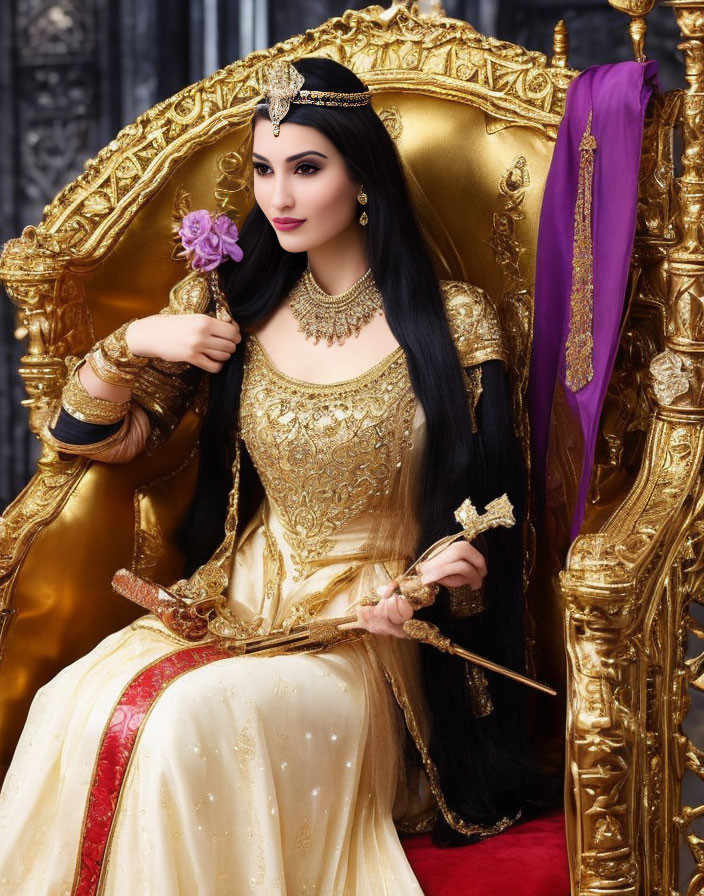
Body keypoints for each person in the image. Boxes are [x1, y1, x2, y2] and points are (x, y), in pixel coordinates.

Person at [0, 57, 538, 894]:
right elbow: (93, 441)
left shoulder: (453, 322)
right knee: (75, 699)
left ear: (363, 178)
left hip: (369, 637)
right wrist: (135, 342)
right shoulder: (230, 309)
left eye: (306, 168)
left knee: (182, 718)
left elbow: (494, 512)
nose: (277, 197)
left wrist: (439, 578)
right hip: (237, 602)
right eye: (262, 169)